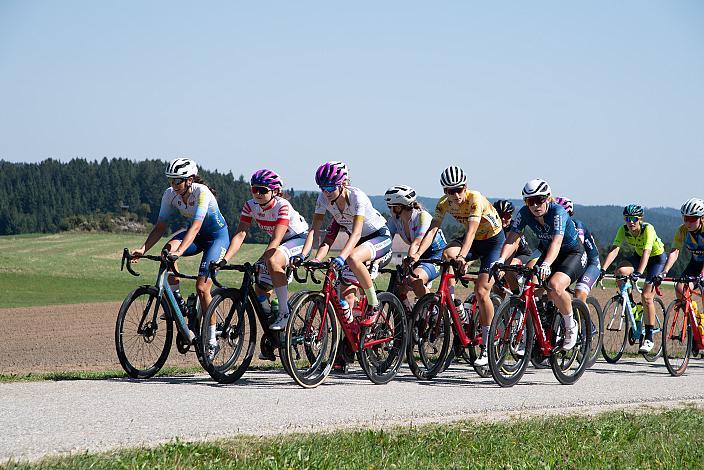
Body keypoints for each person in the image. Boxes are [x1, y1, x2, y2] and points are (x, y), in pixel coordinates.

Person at [131, 158, 229, 357]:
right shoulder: (169, 195)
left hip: (216, 238)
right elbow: (160, 226)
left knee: (202, 288)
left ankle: (211, 339)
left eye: (177, 181)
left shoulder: (202, 193)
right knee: (167, 251)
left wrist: (180, 251)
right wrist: (142, 248)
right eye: (170, 181)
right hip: (196, 236)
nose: (173, 186)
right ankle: (178, 301)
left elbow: (195, 226)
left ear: (190, 180)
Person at [412, 165, 504, 366]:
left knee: (481, 292)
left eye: (458, 189)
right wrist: (418, 254)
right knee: (446, 254)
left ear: (466, 187)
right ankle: (452, 302)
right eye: (449, 191)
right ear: (444, 191)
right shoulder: (444, 203)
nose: (454, 195)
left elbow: (471, 232)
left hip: (493, 243)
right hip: (474, 241)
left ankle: (488, 346)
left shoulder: (475, 199)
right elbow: (432, 231)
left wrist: (463, 257)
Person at [218, 170, 309, 352]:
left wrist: (264, 261)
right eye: (254, 190)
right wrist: (224, 260)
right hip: (279, 242)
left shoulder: (283, 206)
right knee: (260, 286)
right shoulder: (250, 206)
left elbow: (276, 239)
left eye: (262, 190)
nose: (257, 194)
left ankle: (284, 312)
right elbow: (241, 234)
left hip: (298, 239)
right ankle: (274, 332)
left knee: (272, 261)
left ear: (274, 191)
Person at [299, 162, 392, 328]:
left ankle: (374, 303)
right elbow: (314, 230)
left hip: (378, 237)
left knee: (353, 258)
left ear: (342, 184)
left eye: (329, 188)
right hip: (357, 244)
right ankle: (351, 338)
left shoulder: (357, 197)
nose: (325, 192)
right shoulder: (323, 199)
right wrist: (307, 256)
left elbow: (356, 233)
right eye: (322, 188)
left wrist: (341, 257)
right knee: (346, 296)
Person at [496, 179, 586, 351]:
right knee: (531, 285)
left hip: (571, 253)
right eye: (531, 201)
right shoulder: (524, 213)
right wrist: (500, 260)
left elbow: (557, 242)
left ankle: (570, 324)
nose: (536, 205)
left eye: (540, 200)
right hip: (548, 252)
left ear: (548, 198)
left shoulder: (558, 212)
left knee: (554, 285)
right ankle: (537, 327)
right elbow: (512, 238)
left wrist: (545, 264)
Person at [601, 204, 666, 353]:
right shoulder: (623, 230)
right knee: (620, 271)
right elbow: (615, 249)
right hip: (639, 256)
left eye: (634, 219)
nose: (631, 222)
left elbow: (647, 252)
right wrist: (603, 269)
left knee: (647, 296)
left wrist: (639, 272)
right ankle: (631, 305)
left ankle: (649, 337)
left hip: (656, 259)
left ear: (640, 219)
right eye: (627, 219)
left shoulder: (647, 229)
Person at [384, 184, 447, 311]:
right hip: (417, 254)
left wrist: (409, 261)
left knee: (413, 280)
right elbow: (384, 240)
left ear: (398, 207)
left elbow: (417, 242)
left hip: (435, 254)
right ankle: (408, 317)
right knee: (398, 286)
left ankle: (434, 312)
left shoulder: (422, 217)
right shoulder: (395, 220)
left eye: (390, 206)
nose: (389, 209)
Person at [553, 197, 601, 303]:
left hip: (590, 263)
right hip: (571, 259)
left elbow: (579, 251)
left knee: (579, 294)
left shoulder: (577, 225)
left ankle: (586, 320)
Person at [658, 197, 704, 300]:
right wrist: (664, 272)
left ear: (702, 218)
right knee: (680, 290)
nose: (688, 223)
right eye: (685, 218)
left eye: (692, 219)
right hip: (696, 262)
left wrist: (703, 274)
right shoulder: (682, 230)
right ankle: (692, 311)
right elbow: (674, 252)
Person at [492, 199, 534, 294]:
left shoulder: (514, 227)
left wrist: (504, 266)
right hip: (504, 256)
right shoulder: (492, 228)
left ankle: (517, 295)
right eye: (499, 216)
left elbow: (513, 247)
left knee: (508, 267)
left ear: (511, 216)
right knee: (497, 289)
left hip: (522, 255)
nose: (503, 219)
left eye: (506, 216)